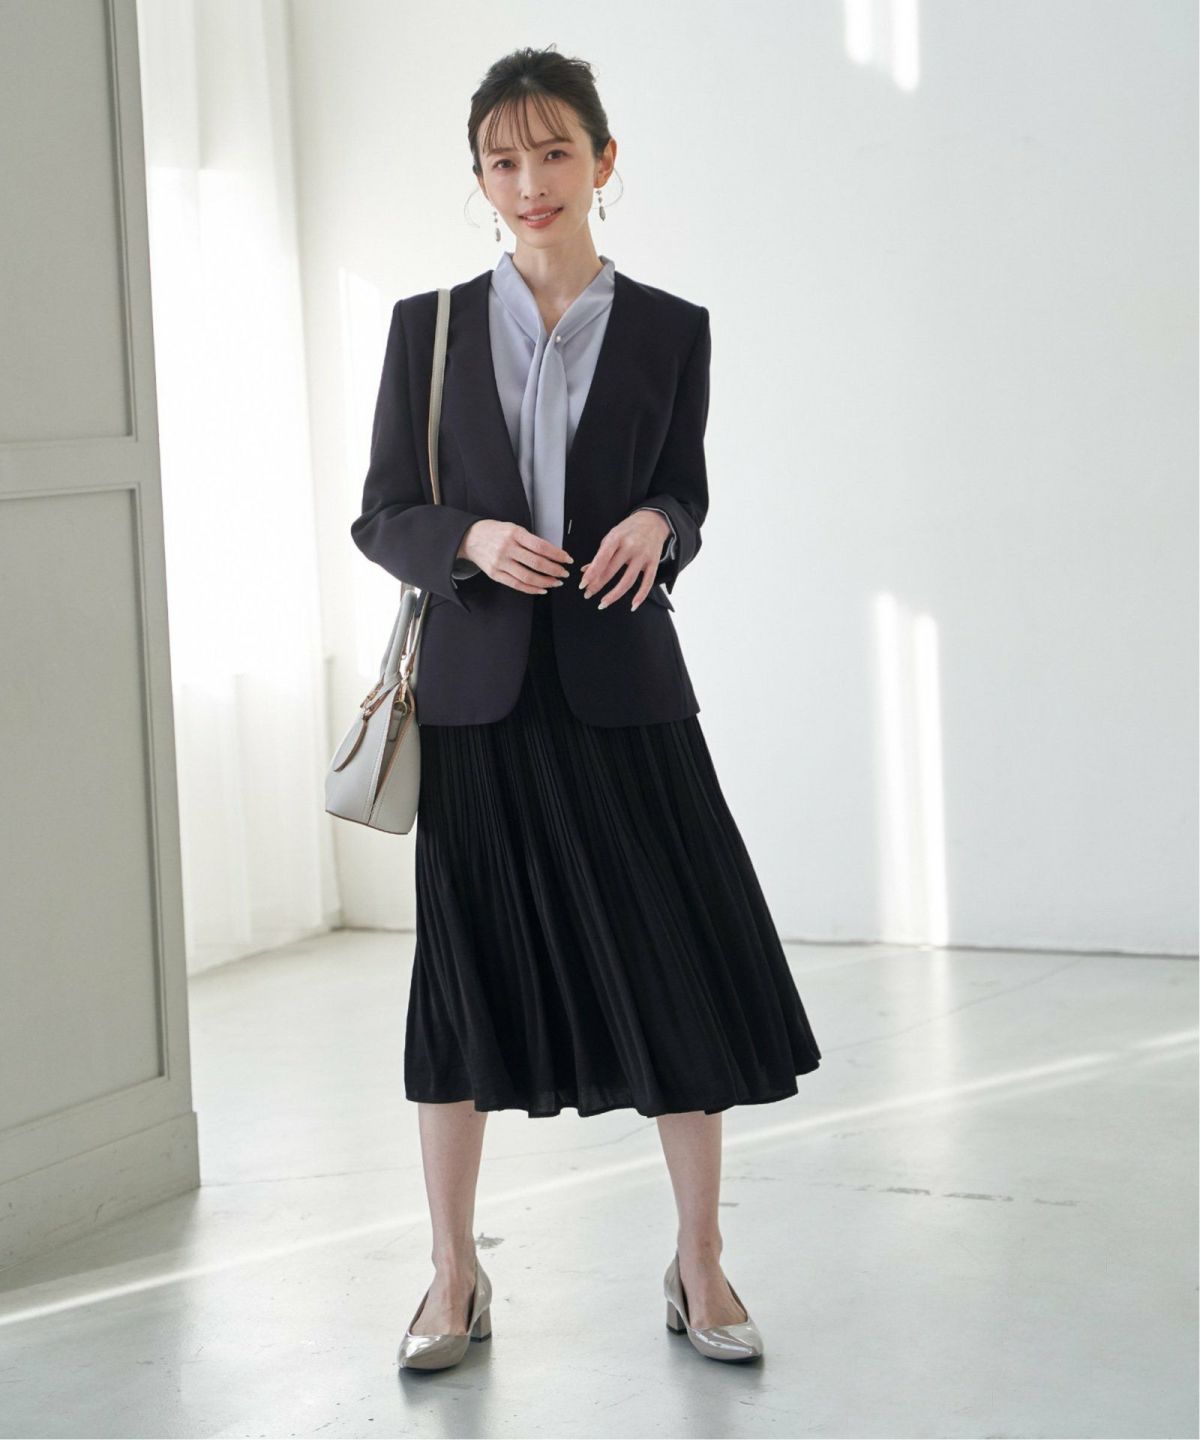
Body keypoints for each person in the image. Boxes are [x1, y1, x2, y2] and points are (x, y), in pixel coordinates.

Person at [350, 45, 822, 1372]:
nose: (529, 182)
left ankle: (700, 1263)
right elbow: (381, 514)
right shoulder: (429, 329)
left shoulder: (670, 328)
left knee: (681, 969)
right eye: (502, 161)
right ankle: (453, 1276)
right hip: (478, 702)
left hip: (624, 687)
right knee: (462, 988)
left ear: (603, 161)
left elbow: (687, 494)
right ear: (479, 178)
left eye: (554, 152)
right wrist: (467, 540)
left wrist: (660, 526)